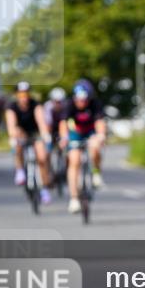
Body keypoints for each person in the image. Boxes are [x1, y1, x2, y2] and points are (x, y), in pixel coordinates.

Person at [60, 80, 107, 214]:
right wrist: (64, 138)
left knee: (95, 146)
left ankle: (96, 173)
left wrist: (101, 135)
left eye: (85, 99)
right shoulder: (69, 104)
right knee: (74, 161)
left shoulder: (95, 104)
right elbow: (63, 123)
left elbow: (99, 122)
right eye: (79, 99)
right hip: (75, 133)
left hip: (91, 131)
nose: (82, 102)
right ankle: (74, 199)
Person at [4, 81, 54, 204]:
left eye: (26, 94)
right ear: (17, 95)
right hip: (21, 133)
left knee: (42, 158)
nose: (24, 98)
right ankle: (20, 170)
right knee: (18, 143)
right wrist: (13, 137)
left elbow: (41, 121)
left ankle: (44, 189)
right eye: (21, 95)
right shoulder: (12, 107)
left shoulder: (35, 105)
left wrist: (45, 135)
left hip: (35, 133)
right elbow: (11, 124)